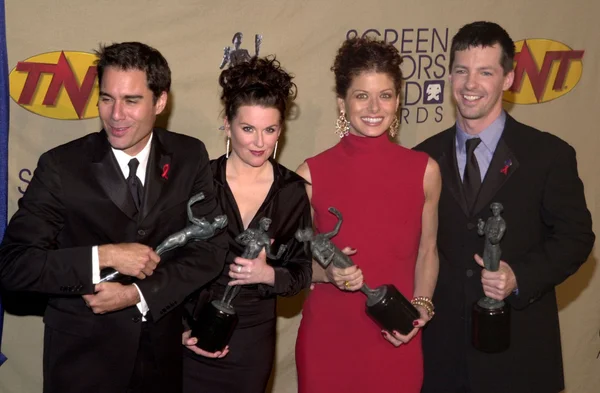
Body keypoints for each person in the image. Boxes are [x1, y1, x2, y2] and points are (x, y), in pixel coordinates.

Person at [0, 42, 227, 393]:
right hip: (81, 362)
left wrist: (139, 293)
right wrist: (103, 256)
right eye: (107, 98)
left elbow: (210, 249)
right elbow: (15, 265)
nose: (116, 115)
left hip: (160, 358)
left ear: (160, 101)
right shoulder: (61, 166)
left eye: (131, 101)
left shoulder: (188, 155)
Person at [414, 21, 595, 393]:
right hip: (440, 357)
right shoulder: (422, 158)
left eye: (485, 72)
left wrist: (519, 277)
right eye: (462, 71)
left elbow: (576, 239)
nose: (470, 85)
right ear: (450, 77)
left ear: (508, 79)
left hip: (519, 355)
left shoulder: (548, 154)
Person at [295, 37, 441, 393]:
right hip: (328, 340)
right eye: (362, 95)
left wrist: (421, 306)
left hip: (396, 336)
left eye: (386, 95)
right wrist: (328, 273)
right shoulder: (310, 175)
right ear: (342, 103)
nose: (374, 106)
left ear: (397, 101)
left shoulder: (424, 170)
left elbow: (427, 251)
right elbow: (294, 264)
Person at [182, 56, 312, 393]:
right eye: (247, 128)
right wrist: (180, 328)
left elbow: (302, 269)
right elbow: (168, 263)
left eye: (269, 130)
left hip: (252, 342)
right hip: (191, 336)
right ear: (227, 124)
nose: (259, 142)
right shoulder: (199, 183)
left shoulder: (292, 192)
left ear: (280, 130)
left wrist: (268, 275)